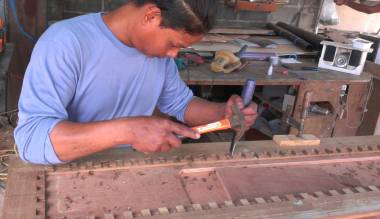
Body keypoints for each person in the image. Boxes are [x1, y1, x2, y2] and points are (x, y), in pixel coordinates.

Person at [14, 0, 258, 165]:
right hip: (71, 171)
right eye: (173, 44)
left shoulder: (156, 55)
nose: (174, 55)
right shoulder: (66, 42)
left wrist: (223, 113)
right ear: (151, 15)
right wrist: (128, 131)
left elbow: (180, 104)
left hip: (133, 167)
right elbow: (31, 141)